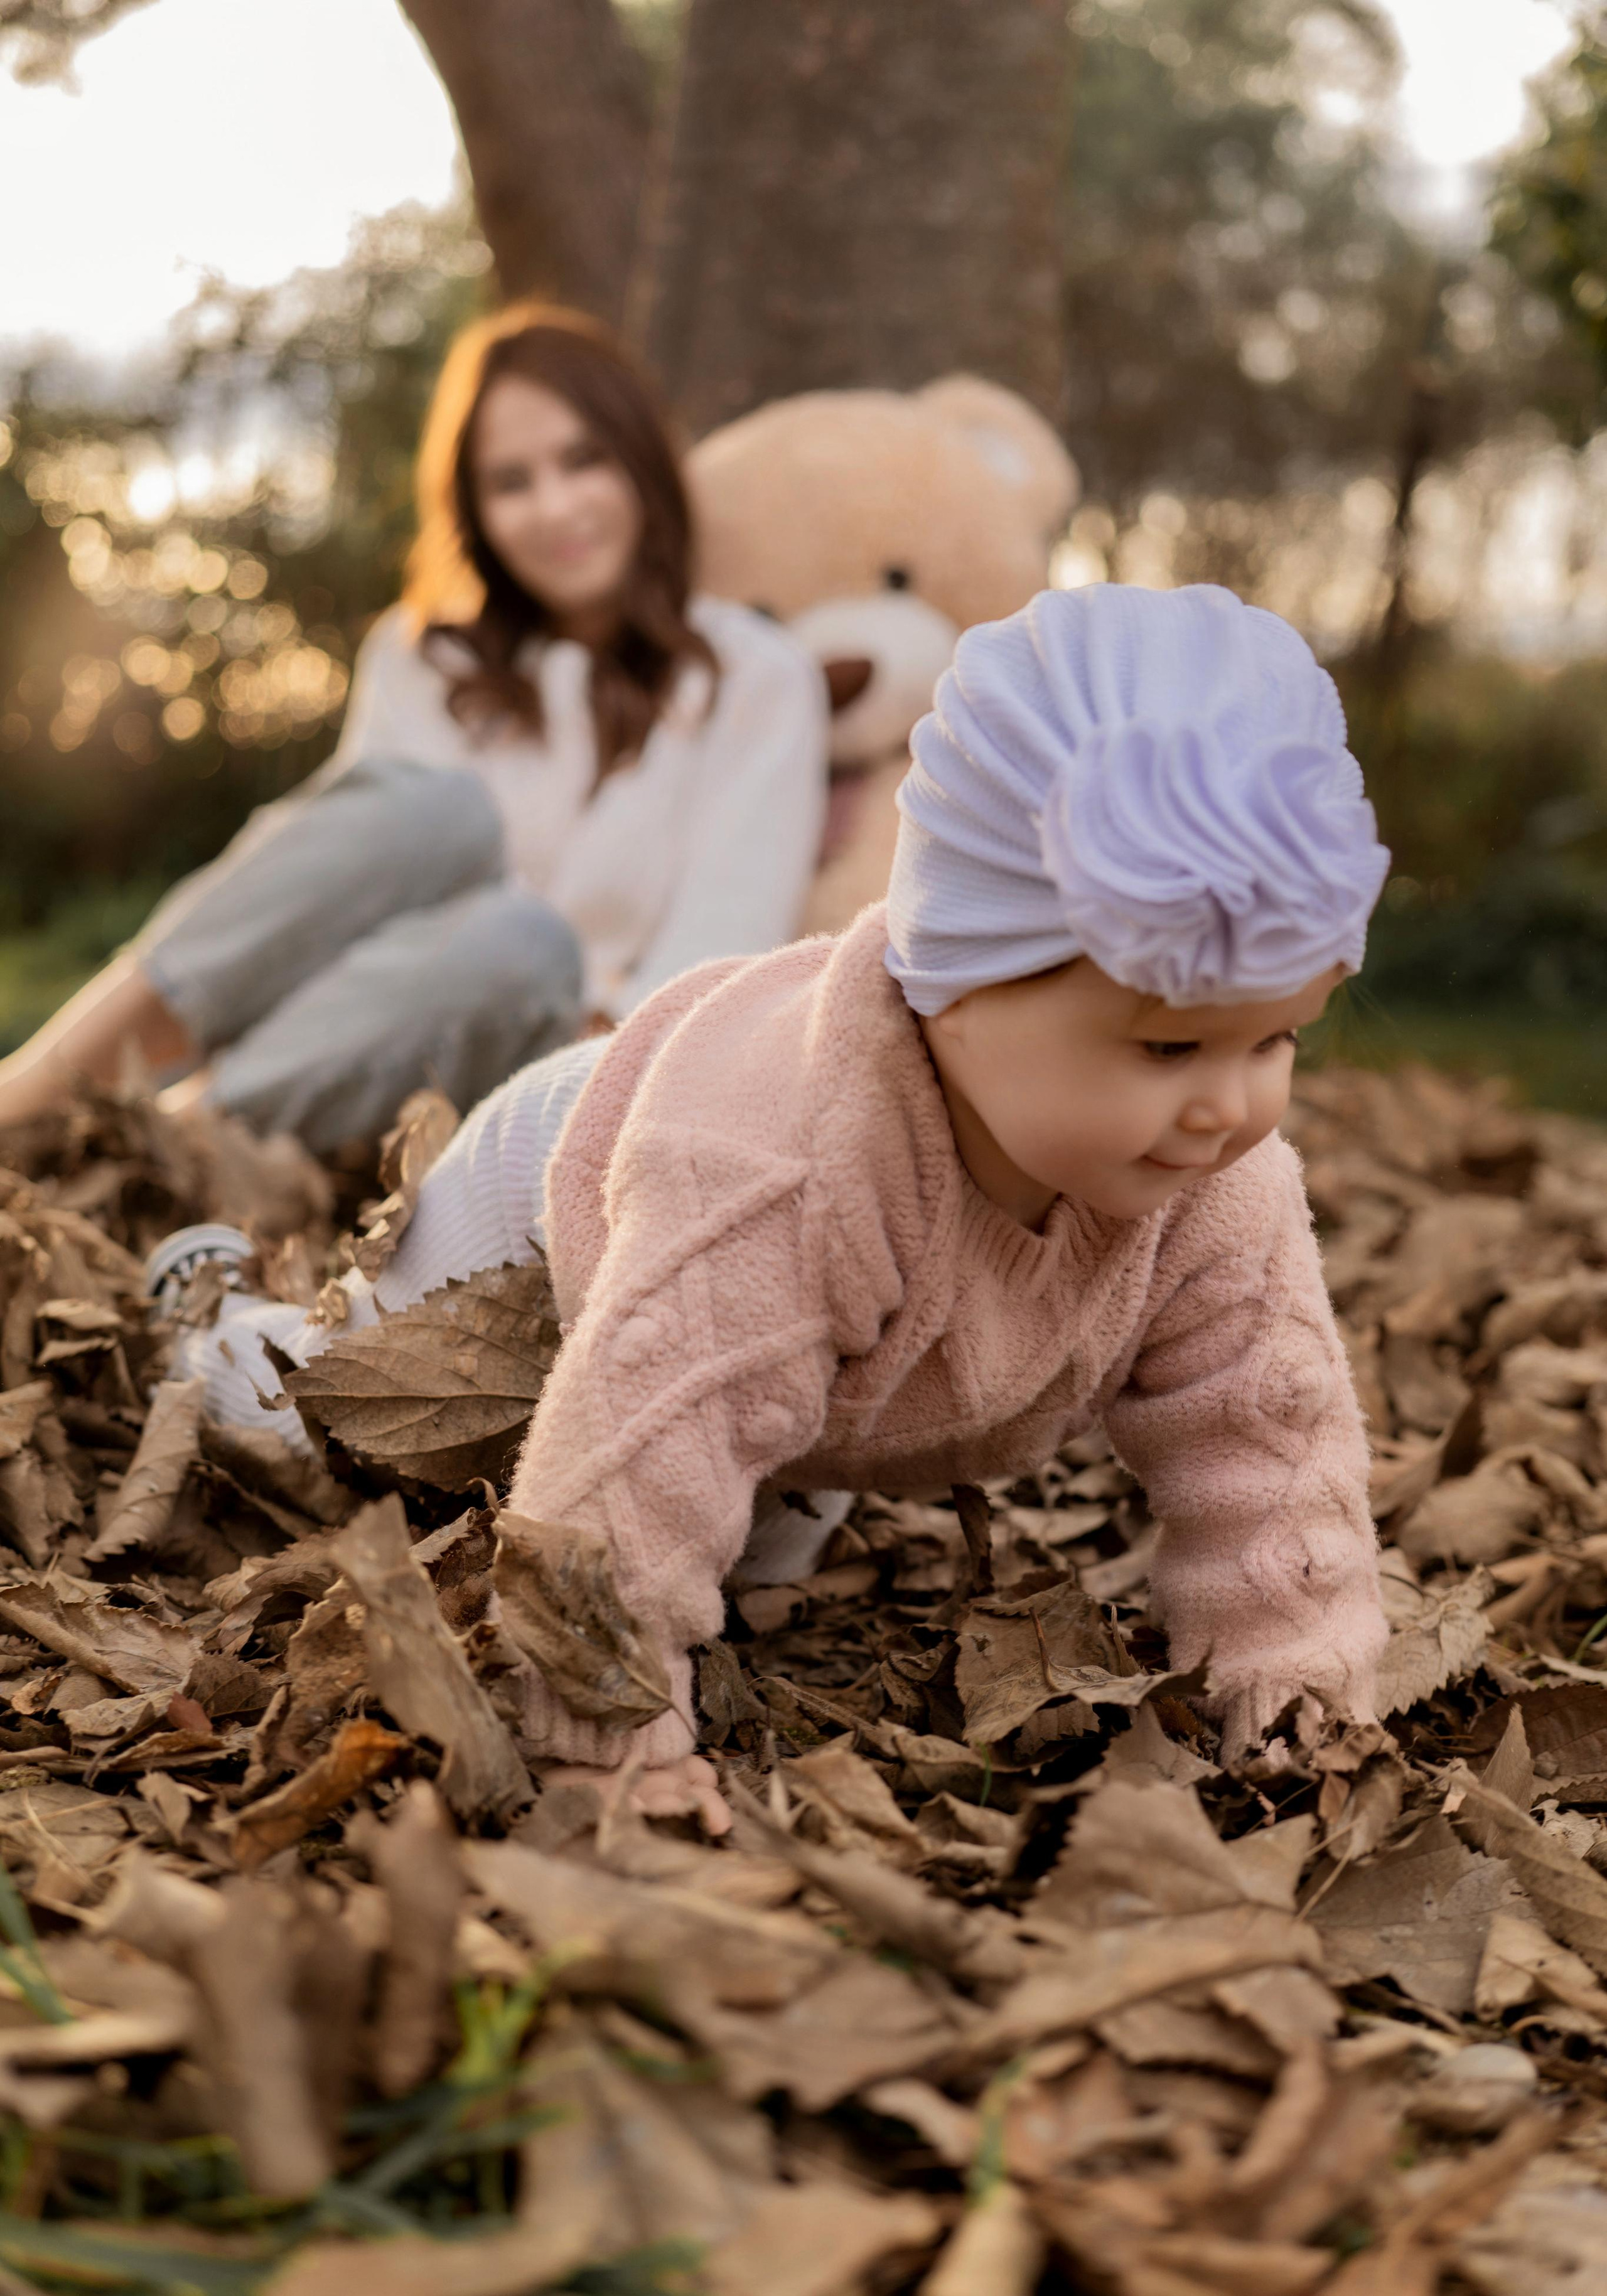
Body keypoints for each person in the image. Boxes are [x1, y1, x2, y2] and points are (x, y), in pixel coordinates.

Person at [161, 581, 1393, 1834]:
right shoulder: (773, 1165)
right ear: (958, 984)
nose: (1229, 1106)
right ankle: (207, 1321)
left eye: (1277, 1040)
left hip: (842, 1363)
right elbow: (635, 1465)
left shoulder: (1217, 1184)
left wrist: (1294, 1696)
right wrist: (610, 1744)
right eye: (1169, 1051)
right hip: (546, 1221)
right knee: (332, 1425)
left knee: (751, 1553)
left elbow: (1264, 1437)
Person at [0, 304, 828, 1154]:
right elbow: (328, 897)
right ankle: (36, 1098)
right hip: (357, 1026)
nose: (555, 508)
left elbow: (714, 970)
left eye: (585, 460)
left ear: (643, 463)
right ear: (474, 509)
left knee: (521, 945)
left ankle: (153, 1154)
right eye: (512, 482)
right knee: (436, 812)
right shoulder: (422, 657)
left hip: (569, 1070)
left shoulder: (755, 674)